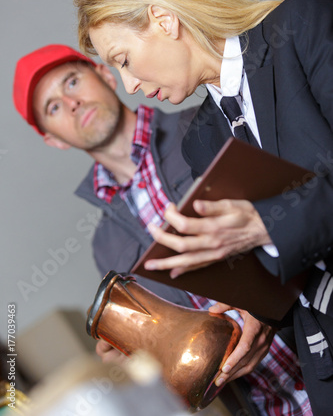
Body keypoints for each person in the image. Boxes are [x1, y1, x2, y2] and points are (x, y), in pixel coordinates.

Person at [74, 0, 333, 415]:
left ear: (164, 20)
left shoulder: (302, 24)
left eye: (125, 59)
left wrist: (267, 224)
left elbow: (281, 226)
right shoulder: (203, 141)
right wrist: (252, 315)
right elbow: (279, 275)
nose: (128, 84)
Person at [13, 44, 311, 416]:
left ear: (106, 75)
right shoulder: (104, 246)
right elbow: (173, 359)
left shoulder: (205, 125)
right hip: (273, 407)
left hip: (322, 347)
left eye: (72, 82)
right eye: (53, 107)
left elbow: (305, 207)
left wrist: (269, 308)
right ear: (53, 139)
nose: (71, 103)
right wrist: (133, 366)